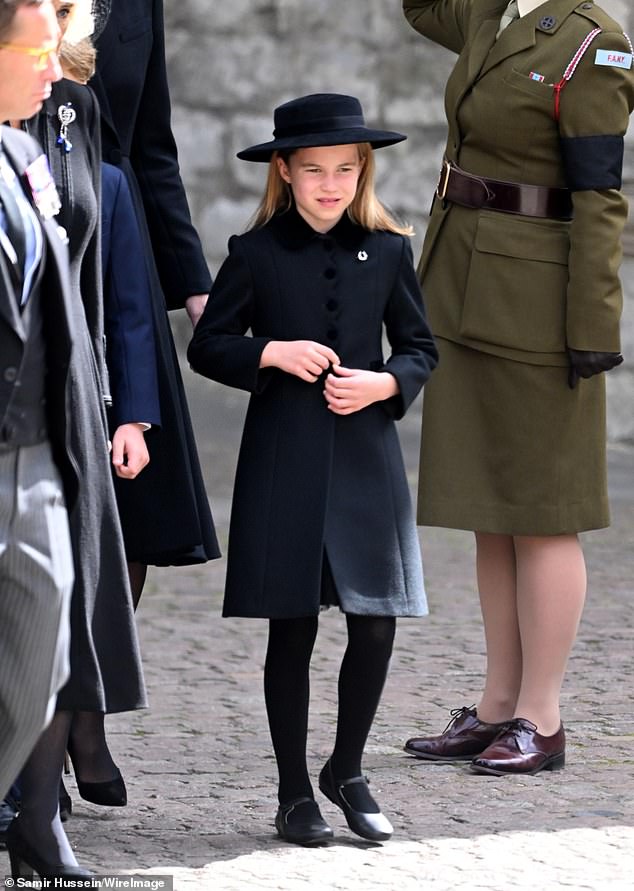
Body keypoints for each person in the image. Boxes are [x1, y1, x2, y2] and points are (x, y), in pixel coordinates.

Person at [188, 93, 438, 845]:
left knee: (377, 621)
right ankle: (294, 791)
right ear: (285, 173)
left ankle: (348, 767)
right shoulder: (254, 252)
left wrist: (387, 383)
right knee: (291, 629)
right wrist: (271, 351)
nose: (330, 184)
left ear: (362, 171)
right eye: (313, 170)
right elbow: (209, 345)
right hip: (284, 459)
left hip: (367, 459)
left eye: (344, 169)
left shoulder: (391, 250)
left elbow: (420, 347)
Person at [401, 0, 634, 775]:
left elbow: (602, 196)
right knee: (490, 510)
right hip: (462, 283)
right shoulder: (489, 11)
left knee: (542, 510)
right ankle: (499, 704)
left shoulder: (596, 45)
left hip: (539, 306)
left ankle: (543, 714)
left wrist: (594, 327)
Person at [4, 1, 147, 878]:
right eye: (40, 50)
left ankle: (38, 816)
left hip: (67, 408)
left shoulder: (65, 118)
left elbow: (92, 265)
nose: (59, 70)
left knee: (61, 624)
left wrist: (115, 401)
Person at [91, 0, 220, 604]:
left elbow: (150, 144)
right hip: (20, 223)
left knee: (132, 507)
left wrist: (196, 288)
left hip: (120, 243)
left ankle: (93, 692)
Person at [0, 0, 73, 804]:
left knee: (37, 673)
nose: (56, 73)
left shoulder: (24, 157)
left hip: (33, 463)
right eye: (38, 52)